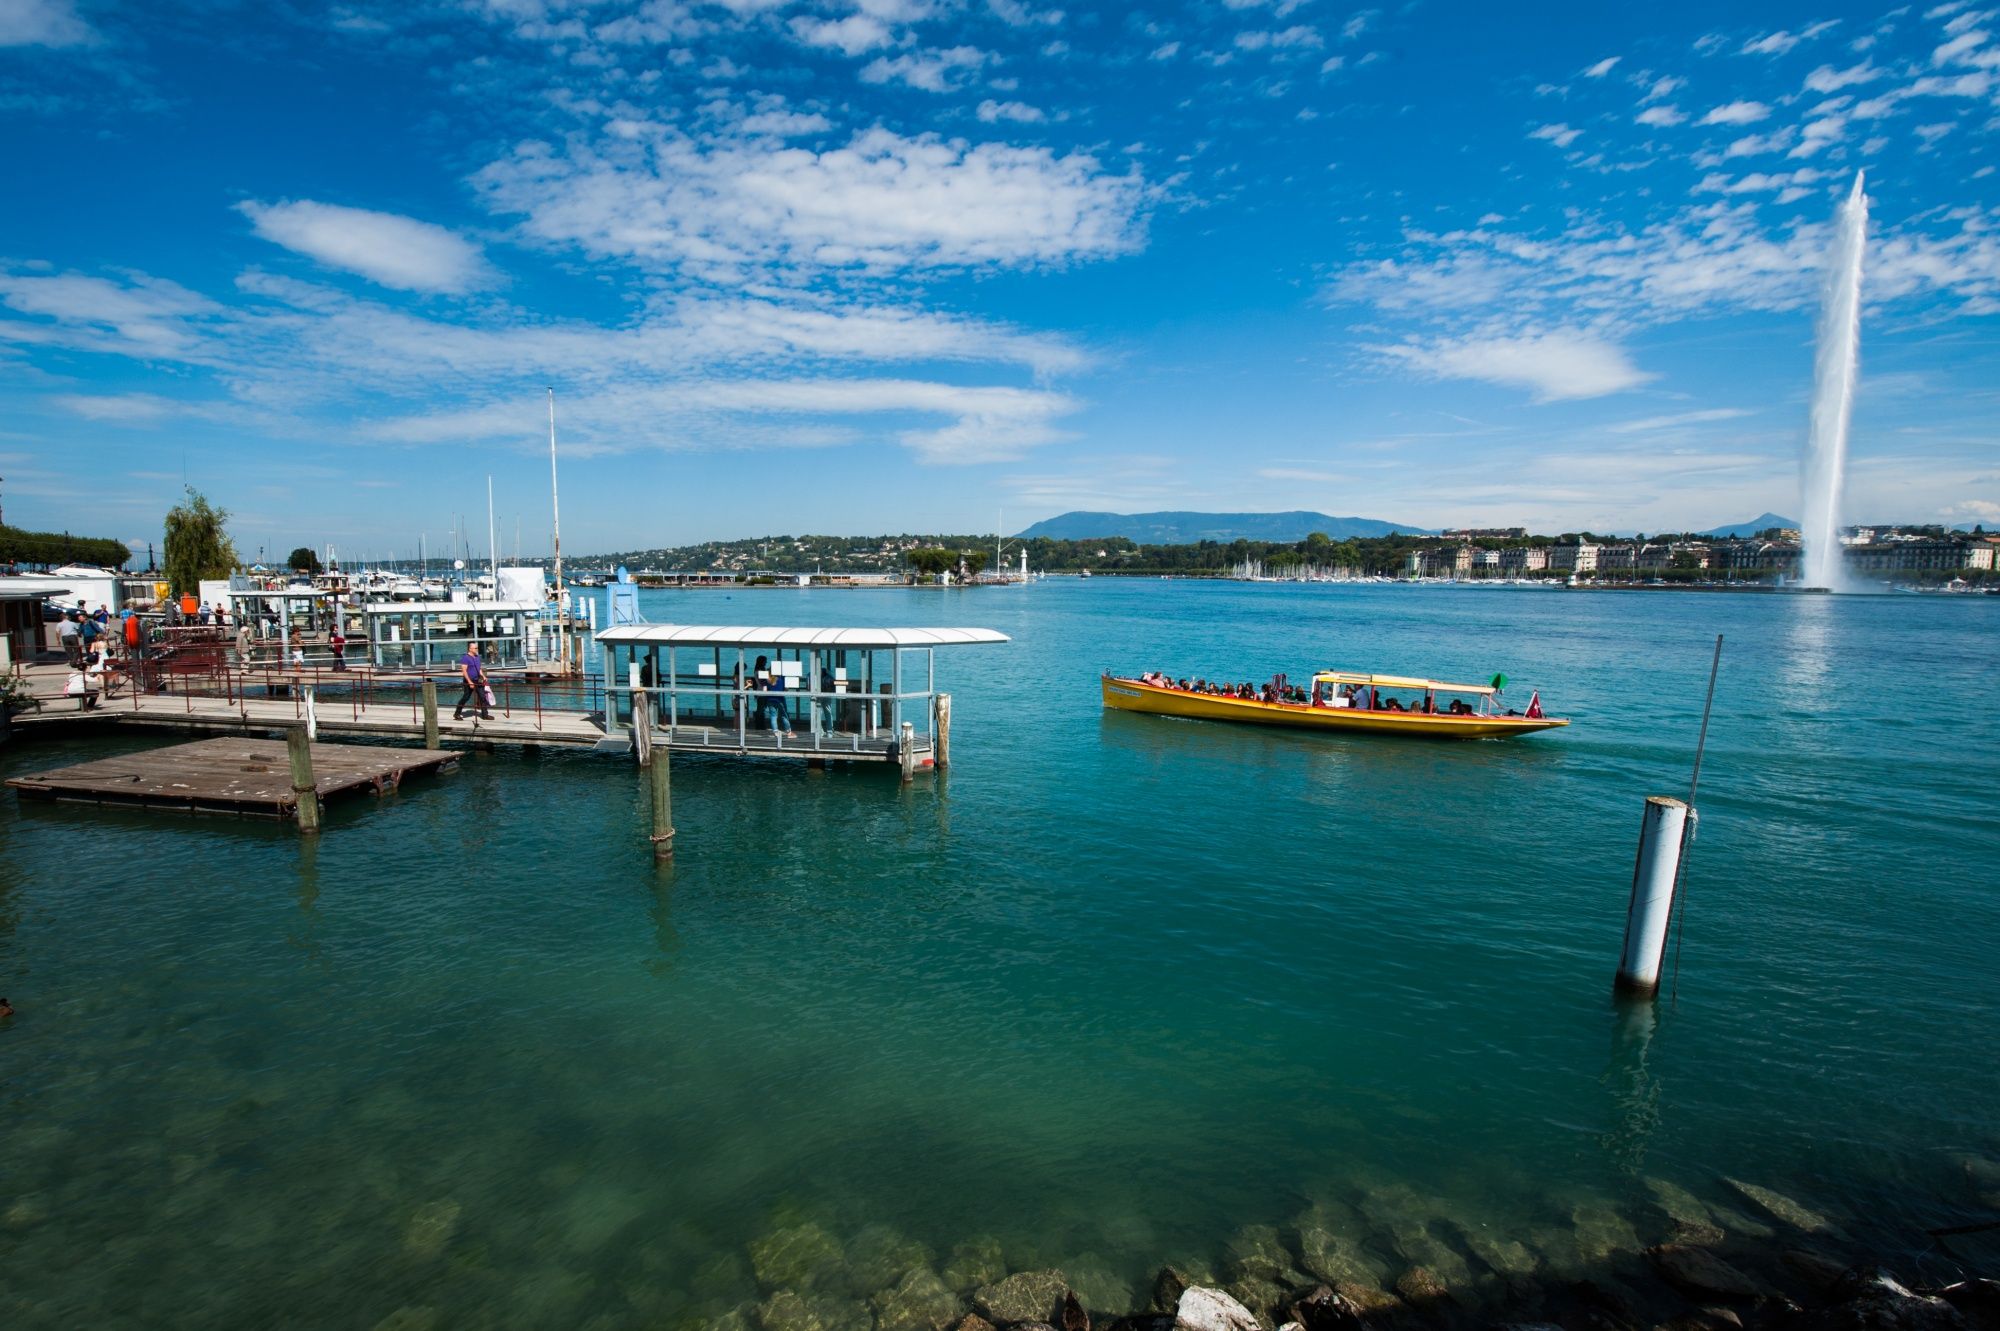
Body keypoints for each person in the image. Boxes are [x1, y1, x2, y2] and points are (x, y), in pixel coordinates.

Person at [455, 642, 493, 720]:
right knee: (466, 697)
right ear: (470, 649)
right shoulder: (465, 658)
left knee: (482, 697)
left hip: (478, 680)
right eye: (475, 648)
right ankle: (457, 713)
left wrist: (483, 676)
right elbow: (464, 671)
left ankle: (485, 715)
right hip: (469, 680)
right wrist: (469, 682)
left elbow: (479, 669)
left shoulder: (477, 657)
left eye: (477, 648)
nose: (477, 649)